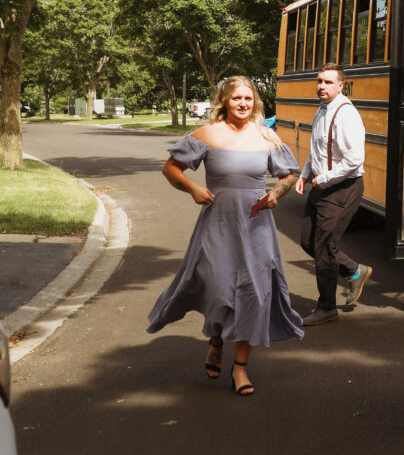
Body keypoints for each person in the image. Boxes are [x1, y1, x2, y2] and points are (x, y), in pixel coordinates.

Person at [147, 76, 303, 395]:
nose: (243, 104)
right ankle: (216, 338)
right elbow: (171, 168)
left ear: (255, 102)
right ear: (224, 102)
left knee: (255, 295)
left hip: (256, 225)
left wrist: (277, 192)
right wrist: (192, 188)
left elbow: (288, 175)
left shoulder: (266, 136)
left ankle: (241, 368)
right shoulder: (207, 134)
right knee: (219, 291)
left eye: (248, 98)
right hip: (218, 223)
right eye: (236, 99)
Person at [294, 63, 372, 326]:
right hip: (320, 185)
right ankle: (354, 270)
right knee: (308, 241)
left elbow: (354, 160)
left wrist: (321, 178)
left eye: (328, 82)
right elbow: (316, 150)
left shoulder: (346, 115)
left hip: (341, 188)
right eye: (319, 81)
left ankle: (326, 307)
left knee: (325, 248)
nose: (321, 86)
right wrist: (304, 175)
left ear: (340, 86)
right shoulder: (321, 111)